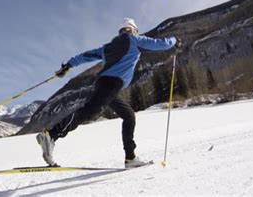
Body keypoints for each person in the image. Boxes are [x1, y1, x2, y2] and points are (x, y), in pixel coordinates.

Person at [37, 18, 181, 168]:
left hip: (106, 84)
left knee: (128, 115)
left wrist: (68, 65)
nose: (136, 32)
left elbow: (86, 55)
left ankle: (130, 158)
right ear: (132, 29)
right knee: (89, 111)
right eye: (136, 30)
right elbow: (161, 44)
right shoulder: (133, 39)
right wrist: (175, 40)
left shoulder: (107, 47)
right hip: (112, 83)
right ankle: (51, 135)